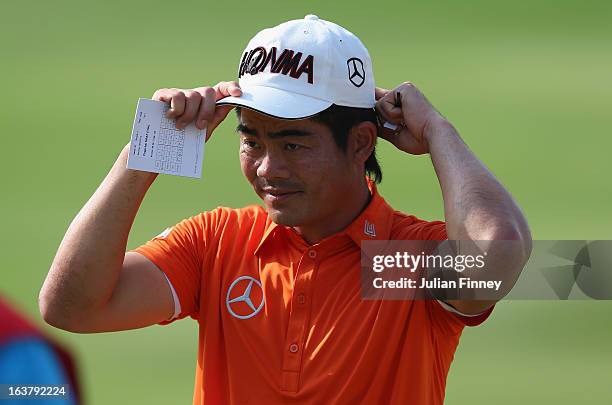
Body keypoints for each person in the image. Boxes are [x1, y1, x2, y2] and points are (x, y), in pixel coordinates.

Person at [39, 15, 531, 404]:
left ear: (361, 143)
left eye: (294, 144)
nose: (268, 168)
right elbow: (70, 306)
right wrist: (147, 152)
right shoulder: (217, 243)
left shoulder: (396, 261)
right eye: (252, 140)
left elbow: (499, 254)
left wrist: (438, 132)